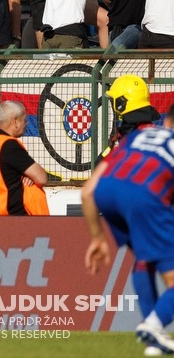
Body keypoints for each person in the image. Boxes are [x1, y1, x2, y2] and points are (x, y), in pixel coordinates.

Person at [83, 80, 174, 355]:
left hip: (108, 192)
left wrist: (97, 237)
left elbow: (89, 190)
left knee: (142, 258)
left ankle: (152, 332)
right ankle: (154, 324)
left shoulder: (134, 138)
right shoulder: (154, 133)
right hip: (146, 198)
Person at [0, 101, 49, 216]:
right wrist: (30, 174)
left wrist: (26, 174)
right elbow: (41, 178)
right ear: (15, 122)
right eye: (24, 120)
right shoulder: (9, 145)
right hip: (12, 217)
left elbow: (4, 173)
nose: (26, 124)